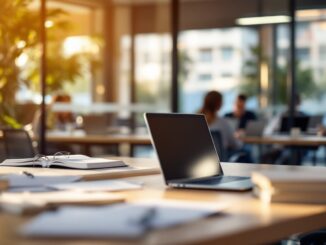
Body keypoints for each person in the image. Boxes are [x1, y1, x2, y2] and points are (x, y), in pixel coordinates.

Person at [199, 91, 242, 155]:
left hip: (200, 160)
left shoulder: (196, 121)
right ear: (219, 104)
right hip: (221, 160)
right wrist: (239, 139)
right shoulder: (223, 123)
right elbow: (235, 145)